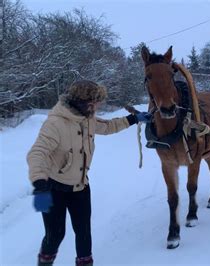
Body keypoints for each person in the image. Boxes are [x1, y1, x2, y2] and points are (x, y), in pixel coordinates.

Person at [27, 80, 152, 266]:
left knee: (84, 233)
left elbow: (108, 126)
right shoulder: (55, 123)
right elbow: (37, 153)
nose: (99, 105)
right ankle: (44, 262)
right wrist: (39, 183)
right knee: (55, 235)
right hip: (52, 189)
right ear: (85, 101)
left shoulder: (88, 118)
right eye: (97, 101)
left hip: (81, 187)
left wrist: (133, 119)